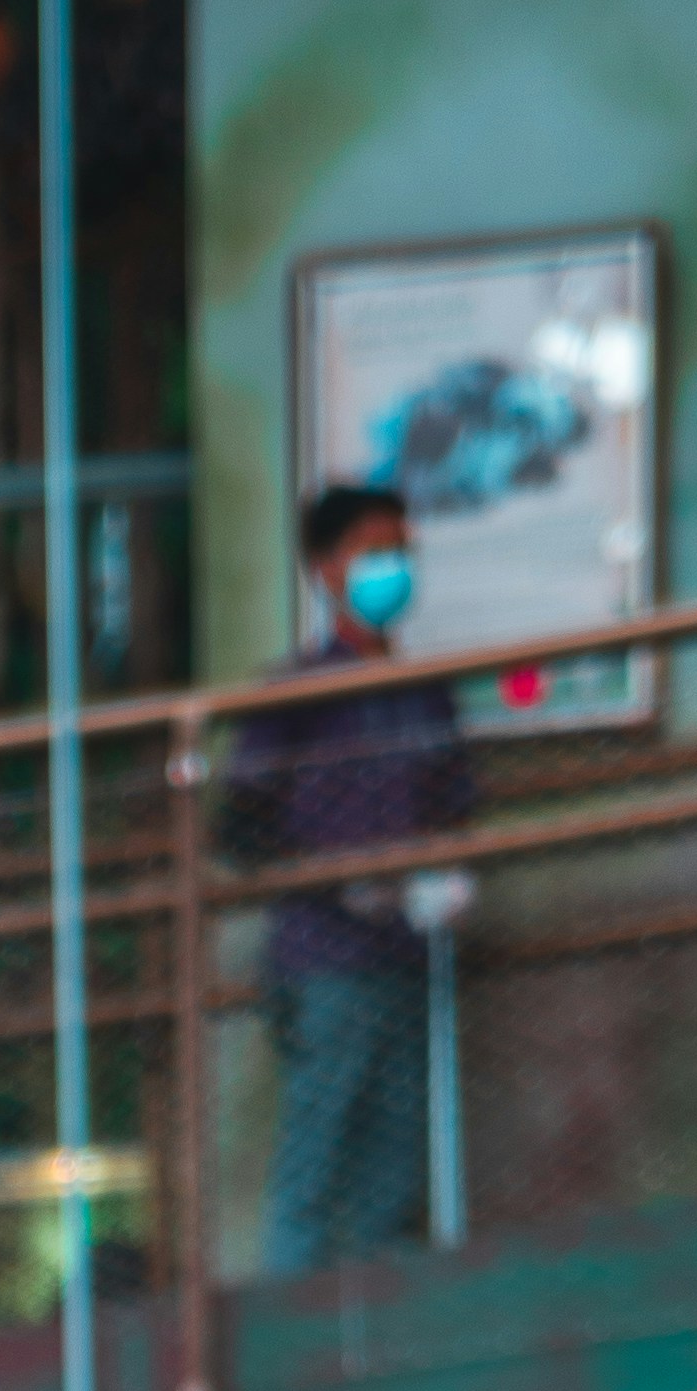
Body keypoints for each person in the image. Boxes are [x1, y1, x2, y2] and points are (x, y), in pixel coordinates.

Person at [222, 479, 476, 1275]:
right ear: (325, 569)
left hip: (411, 958)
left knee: (395, 1168)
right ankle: (285, 1342)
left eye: (402, 551)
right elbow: (240, 824)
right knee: (316, 1157)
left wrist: (446, 878)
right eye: (374, 552)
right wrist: (337, 883)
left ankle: (378, 1346)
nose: (393, 567)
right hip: (326, 960)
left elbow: (455, 807)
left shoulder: (425, 691)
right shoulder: (297, 691)